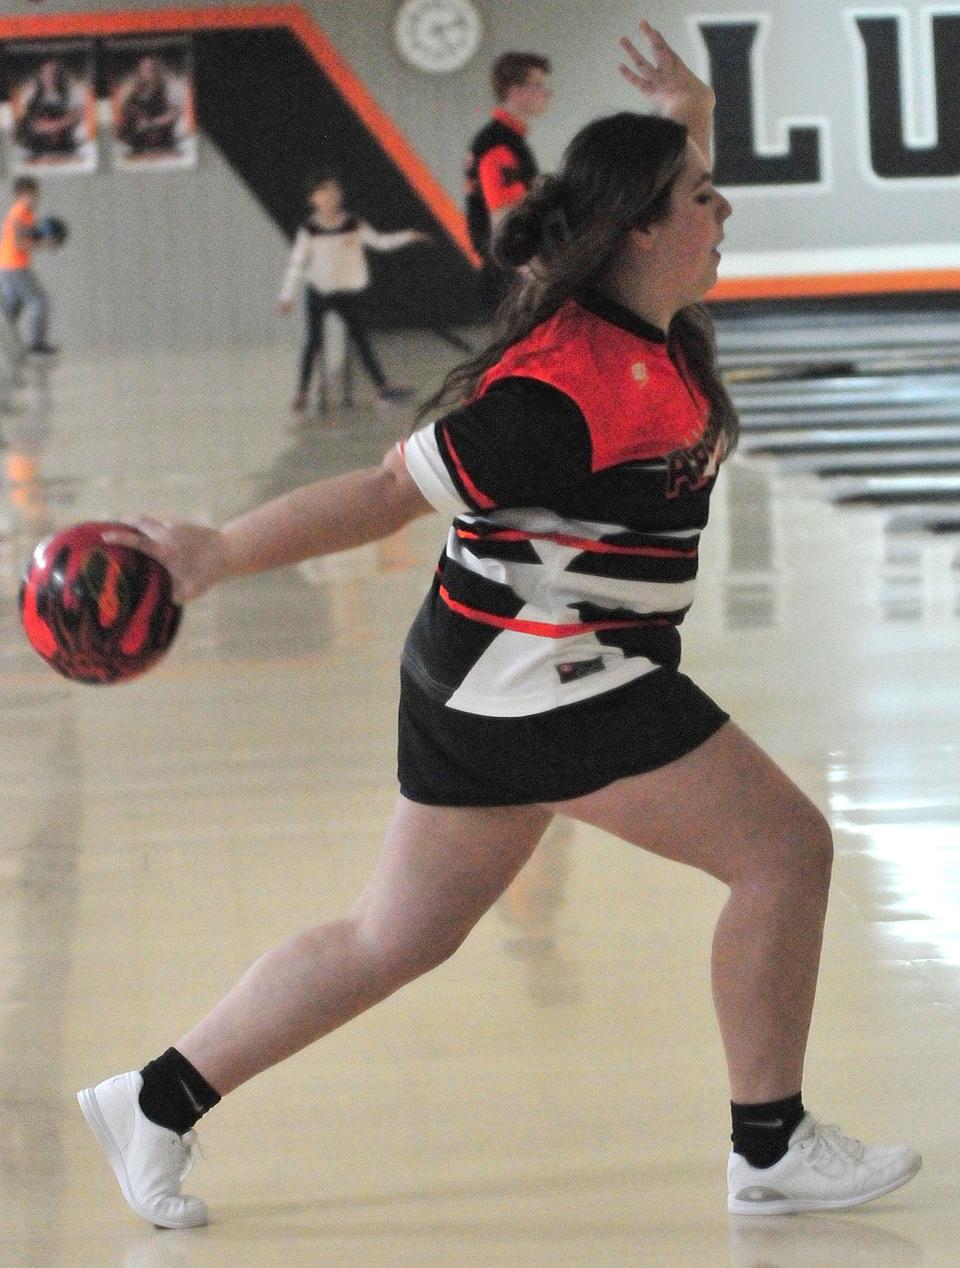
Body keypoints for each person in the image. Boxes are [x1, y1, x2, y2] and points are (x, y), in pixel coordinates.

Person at [78, 19, 921, 1228]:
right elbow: (381, 492)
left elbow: (657, 195)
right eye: (702, 195)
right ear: (638, 229)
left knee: (392, 936)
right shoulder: (564, 388)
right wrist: (213, 556)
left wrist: (694, 114)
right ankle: (771, 1144)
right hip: (548, 676)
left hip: (489, 674)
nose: (723, 210)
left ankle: (150, 1100)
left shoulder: (644, 319)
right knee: (784, 851)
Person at [277, 172, 432, 412]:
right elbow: (297, 264)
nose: (331, 196)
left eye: (334, 190)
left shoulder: (353, 224)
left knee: (361, 339)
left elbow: (380, 241)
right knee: (313, 341)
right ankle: (302, 392)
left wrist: (408, 236)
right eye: (324, 191)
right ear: (313, 198)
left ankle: (383, 387)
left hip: (347, 292)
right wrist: (287, 296)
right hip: (319, 291)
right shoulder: (309, 229)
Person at [465, 50, 552, 313]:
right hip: (511, 280)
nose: (547, 93)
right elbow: (505, 222)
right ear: (515, 91)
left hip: (510, 275)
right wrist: (541, 279)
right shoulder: (499, 146)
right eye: (538, 85)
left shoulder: (504, 140)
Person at [0, 177, 59, 356]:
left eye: (33, 194)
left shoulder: (27, 214)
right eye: (27, 194)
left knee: (10, 309)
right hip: (15, 266)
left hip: (9, 266)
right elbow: (19, 243)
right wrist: (45, 244)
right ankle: (36, 345)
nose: (32, 198)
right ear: (18, 196)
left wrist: (44, 237)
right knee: (38, 301)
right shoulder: (19, 212)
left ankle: (7, 349)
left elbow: (30, 235)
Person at [13, 58, 85, 162]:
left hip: (67, 144)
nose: (49, 78)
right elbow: (30, 124)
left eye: (54, 73)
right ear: (39, 74)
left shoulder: (73, 90)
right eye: (45, 73)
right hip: (38, 146)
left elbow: (77, 116)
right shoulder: (29, 92)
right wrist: (55, 126)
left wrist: (53, 126)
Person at [115, 55, 182, 157]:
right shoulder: (133, 88)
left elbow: (174, 113)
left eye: (149, 69)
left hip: (161, 137)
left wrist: (151, 123)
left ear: (156, 71)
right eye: (142, 69)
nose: (145, 73)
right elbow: (124, 111)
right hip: (136, 141)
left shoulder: (166, 87)